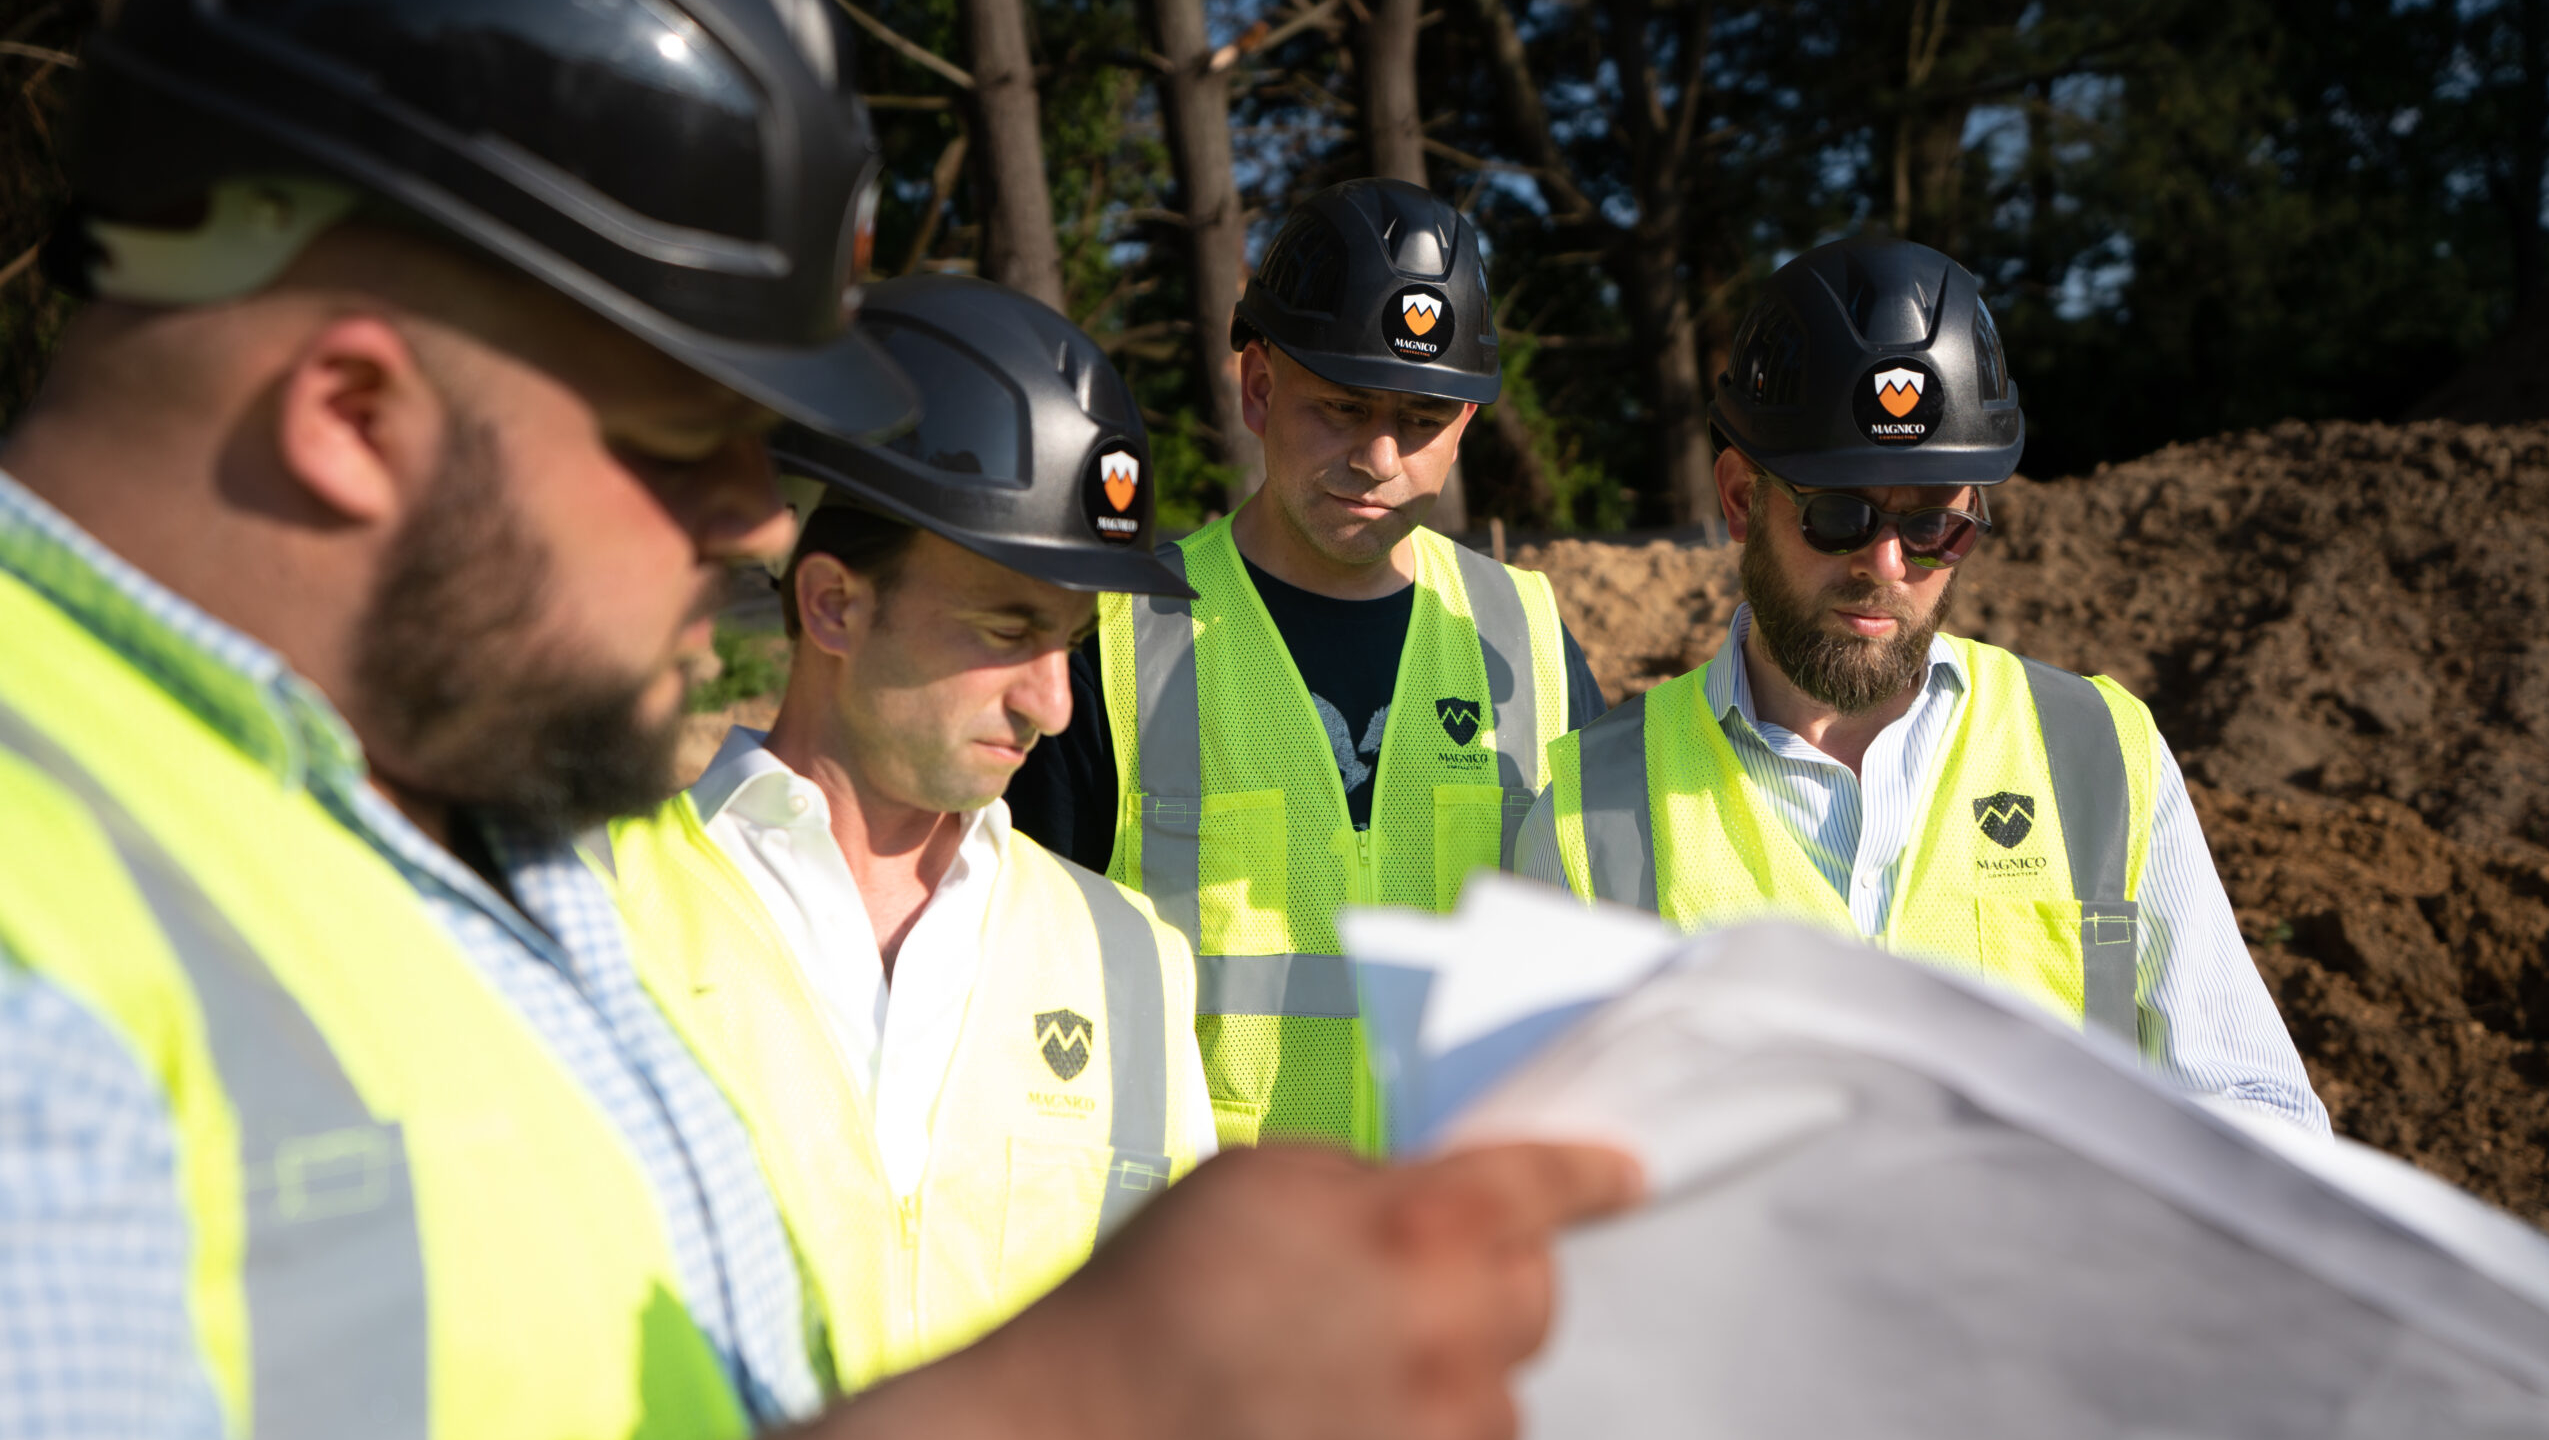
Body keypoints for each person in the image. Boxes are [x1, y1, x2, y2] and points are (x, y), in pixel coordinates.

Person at [0, 3, 1640, 1437]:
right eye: (682, 436)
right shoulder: (45, 930)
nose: (760, 530)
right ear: (353, 418)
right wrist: (1070, 1402)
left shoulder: (477, 843)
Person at [1512, 237, 2328, 1132]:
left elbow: (2258, 1111)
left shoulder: (2100, 756)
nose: (1888, 565)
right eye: (1839, 516)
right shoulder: (1591, 815)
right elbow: (1542, 1177)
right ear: (1742, 498)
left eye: (1935, 523)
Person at [599, 274, 1219, 1391]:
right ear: (832, 605)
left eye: (1073, 642)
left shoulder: (1131, 961)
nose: (1055, 703)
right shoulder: (593, 917)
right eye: (1007, 628)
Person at [1008, 179, 1608, 1155]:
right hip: (1207, 1268)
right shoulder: (1117, 636)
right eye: (1340, 408)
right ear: (1257, 387)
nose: (1378, 456)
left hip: (1447, 1255)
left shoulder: (1528, 639)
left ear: (1463, 429)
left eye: (1420, 421)